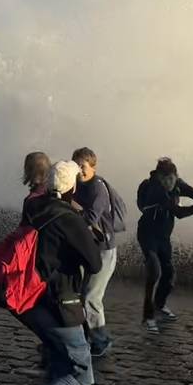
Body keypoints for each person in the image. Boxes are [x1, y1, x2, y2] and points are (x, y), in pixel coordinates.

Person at [11, 156, 103, 385]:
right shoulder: (69, 218)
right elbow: (94, 263)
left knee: (58, 354)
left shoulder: (34, 205)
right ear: (72, 187)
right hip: (62, 300)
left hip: (32, 298)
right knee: (81, 375)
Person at [136, 157, 193, 332]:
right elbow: (179, 213)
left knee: (169, 276)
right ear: (158, 178)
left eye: (171, 179)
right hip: (147, 235)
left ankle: (159, 305)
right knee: (154, 271)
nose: (168, 183)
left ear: (176, 176)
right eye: (164, 179)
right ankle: (147, 316)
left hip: (163, 237)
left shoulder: (178, 184)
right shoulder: (155, 190)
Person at [71, 147, 119, 357]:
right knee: (82, 294)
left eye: (83, 166)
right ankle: (88, 337)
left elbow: (90, 217)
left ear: (93, 166)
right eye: (77, 166)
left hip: (103, 249)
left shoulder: (97, 188)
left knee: (91, 296)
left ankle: (101, 340)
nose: (80, 171)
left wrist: (69, 209)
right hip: (86, 247)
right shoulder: (76, 185)